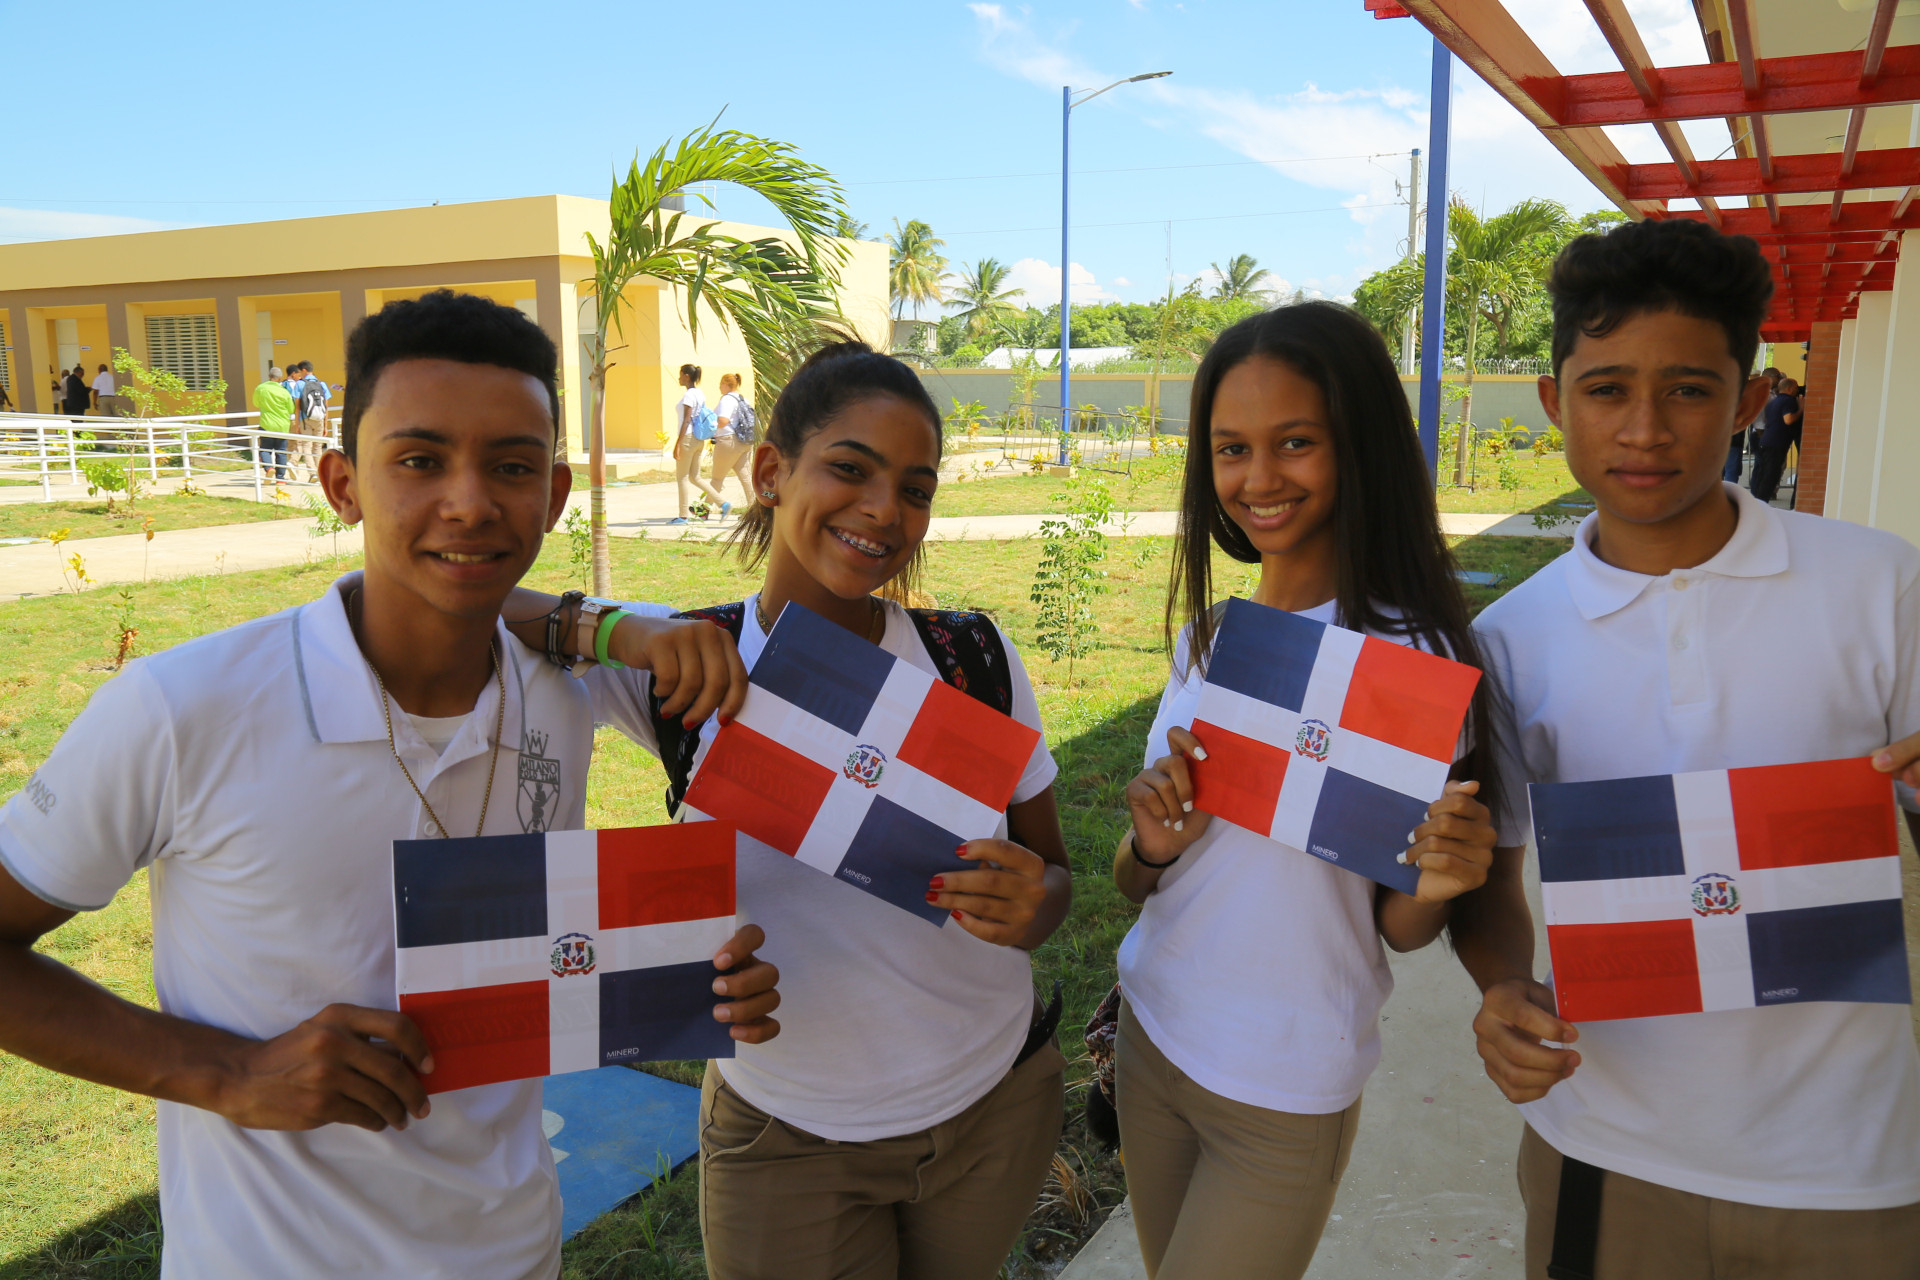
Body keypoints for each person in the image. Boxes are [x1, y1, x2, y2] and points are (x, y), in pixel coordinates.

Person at [0, 289, 781, 1277]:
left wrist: (692, 978)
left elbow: (547, 955)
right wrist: (228, 1072)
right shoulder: (181, 709)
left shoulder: (563, 694)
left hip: (513, 1246)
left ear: (555, 494)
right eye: (419, 460)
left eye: (512, 466)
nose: (470, 501)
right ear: (342, 483)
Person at [502, 341, 1073, 1280]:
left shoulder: (971, 658)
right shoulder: (689, 663)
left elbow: (1053, 877)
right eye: (850, 469)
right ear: (770, 471)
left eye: (915, 488)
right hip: (787, 1138)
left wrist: (1033, 901)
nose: (884, 509)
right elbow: (462, 604)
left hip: (992, 1107)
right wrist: (613, 627)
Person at [1454, 218, 1920, 1280]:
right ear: (1554, 401)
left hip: (1851, 1165)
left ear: (1750, 401)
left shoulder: (1881, 586)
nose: (1645, 429)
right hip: (1606, 1150)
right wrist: (1502, 983)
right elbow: (1492, 866)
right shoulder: (1510, 639)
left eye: (1690, 389)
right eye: (1607, 388)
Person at [1107, 302, 1502, 1280]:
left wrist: (1442, 881)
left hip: (1284, 1079)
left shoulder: (1413, 658)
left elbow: (1398, 925)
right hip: (1154, 1034)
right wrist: (1153, 840)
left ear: (1358, 445)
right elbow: (1136, 879)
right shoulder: (1210, 639)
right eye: (1231, 448)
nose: (1258, 478)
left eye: (1295, 442)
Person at [671, 362, 729, 524]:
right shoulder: (700, 393)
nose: (679, 378)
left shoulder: (689, 395)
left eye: (681, 375)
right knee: (695, 477)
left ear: (686, 376)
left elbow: (686, 420)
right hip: (698, 439)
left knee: (682, 477)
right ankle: (723, 503)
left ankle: (683, 515)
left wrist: (678, 444)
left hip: (688, 438)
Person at [1748, 374, 1801, 503]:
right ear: (1789, 389)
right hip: (1777, 443)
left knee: (1763, 473)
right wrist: (1801, 409)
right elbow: (1788, 419)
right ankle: (1762, 503)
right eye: (1795, 388)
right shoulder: (1789, 400)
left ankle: (1757, 500)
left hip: (1766, 440)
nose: (1797, 390)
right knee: (1771, 475)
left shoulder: (1774, 401)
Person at [709, 372, 754, 505]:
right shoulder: (743, 399)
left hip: (728, 441)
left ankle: (704, 509)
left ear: (725, 384)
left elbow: (723, 420)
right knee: (746, 478)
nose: (719, 387)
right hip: (744, 442)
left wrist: (710, 427)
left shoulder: (727, 399)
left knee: (717, 478)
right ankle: (754, 508)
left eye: (720, 384)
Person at [252, 366, 295, 482]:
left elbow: (256, 403)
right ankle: (280, 479)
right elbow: (291, 409)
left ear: (269, 376)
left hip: (267, 424)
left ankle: (269, 468)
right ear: (280, 378)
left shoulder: (261, 388)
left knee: (265, 449)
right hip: (282, 426)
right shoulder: (285, 392)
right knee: (281, 452)